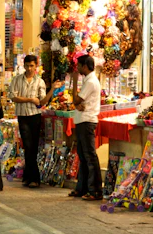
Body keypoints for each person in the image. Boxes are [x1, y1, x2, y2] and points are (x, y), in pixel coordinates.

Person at [9, 55, 61, 189]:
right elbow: (13, 97)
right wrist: (31, 100)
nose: (29, 68)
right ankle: (33, 177)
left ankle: (30, 176)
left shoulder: (40, 82)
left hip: (35, 116)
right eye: (27, 65)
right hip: (22, 116)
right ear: (24, 65)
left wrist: (53, 89)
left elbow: (43, 101)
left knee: (32, 147)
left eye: (32, 66)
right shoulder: (17, 80)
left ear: (36, 66)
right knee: (27, 145)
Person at [70, 55, 102, 201]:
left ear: (85, 66)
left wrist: (74, 82)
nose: (77, 68)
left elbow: (76, 99)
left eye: (79, 65)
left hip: (87, 121)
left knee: (89, 156)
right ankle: (82, 188)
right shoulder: (88, 80)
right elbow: (77, 103)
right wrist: (76, 104)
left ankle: (95, 190)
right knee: (83, 156)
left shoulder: (91, 82)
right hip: (81, 121)